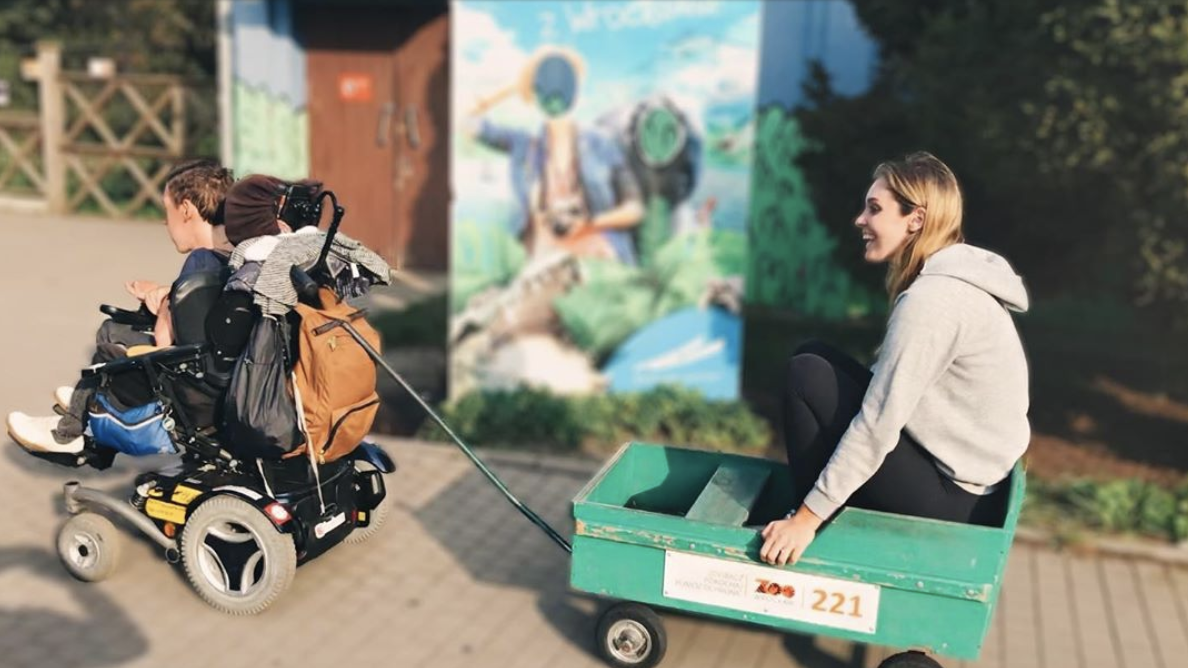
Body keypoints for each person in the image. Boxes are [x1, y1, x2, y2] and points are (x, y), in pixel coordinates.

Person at [759, 152, 1030, 567]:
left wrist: (806, 518)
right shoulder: (947, 284)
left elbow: (877, 424)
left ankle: (808, 530)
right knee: (812, 354)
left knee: (806, 375)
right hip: (961, 480)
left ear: (915, 220)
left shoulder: (934, 301)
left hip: (954, 500)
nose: (860, 220)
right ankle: (814, 514)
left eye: (874, 209)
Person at [6, 159, 235, 453]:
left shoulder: (199, 263)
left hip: (188, 378)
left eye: (168, 210)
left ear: (187, 210)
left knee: (113, 333)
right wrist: (167, 293)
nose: (165, 221)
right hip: (216, 370)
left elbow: (165, 341)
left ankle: (70, 432)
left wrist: (166, 304)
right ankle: (84, 399)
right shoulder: (231, 255)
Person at [467, 47, 645, 264]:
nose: (555, 94)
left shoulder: (602, 143)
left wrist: (589, 222)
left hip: (596, 250)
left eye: (565, 83)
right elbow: (467, 122)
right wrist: (515, 87)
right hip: (546, 256)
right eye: (545, 84)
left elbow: (635, 209)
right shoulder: (524, 144)